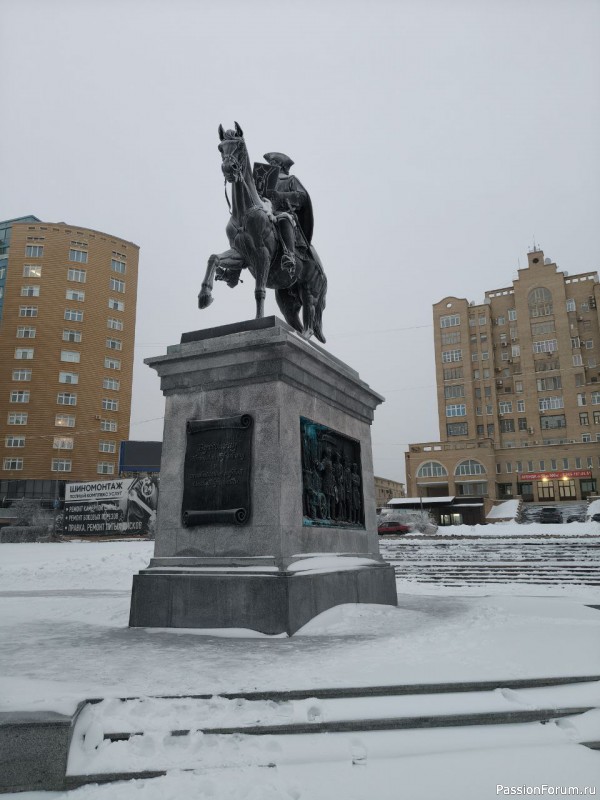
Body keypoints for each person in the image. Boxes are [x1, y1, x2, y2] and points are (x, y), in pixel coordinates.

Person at [261, 152, 314, 276]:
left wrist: (281, 196)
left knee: (284, 218)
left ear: (282, 166)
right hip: (264, 211)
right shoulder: (263, 181)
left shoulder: (291, 179)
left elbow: (302, 197)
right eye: (270, 163)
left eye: (275, 163)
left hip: (283, 213)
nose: (271, 165)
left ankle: (289, 255)